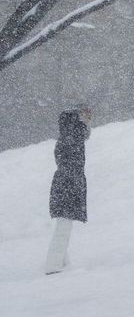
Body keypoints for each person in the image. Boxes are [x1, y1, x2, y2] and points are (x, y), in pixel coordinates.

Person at [44, 105, 92, 274]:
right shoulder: (73, 138)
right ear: (76, 121)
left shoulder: (65, 138)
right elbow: (72, 167)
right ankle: (53, 266)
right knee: (63, 228)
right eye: (85, 118)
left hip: (63, 187)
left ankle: (63, 262)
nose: (87, 122)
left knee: (63, 226)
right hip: (68, 188)